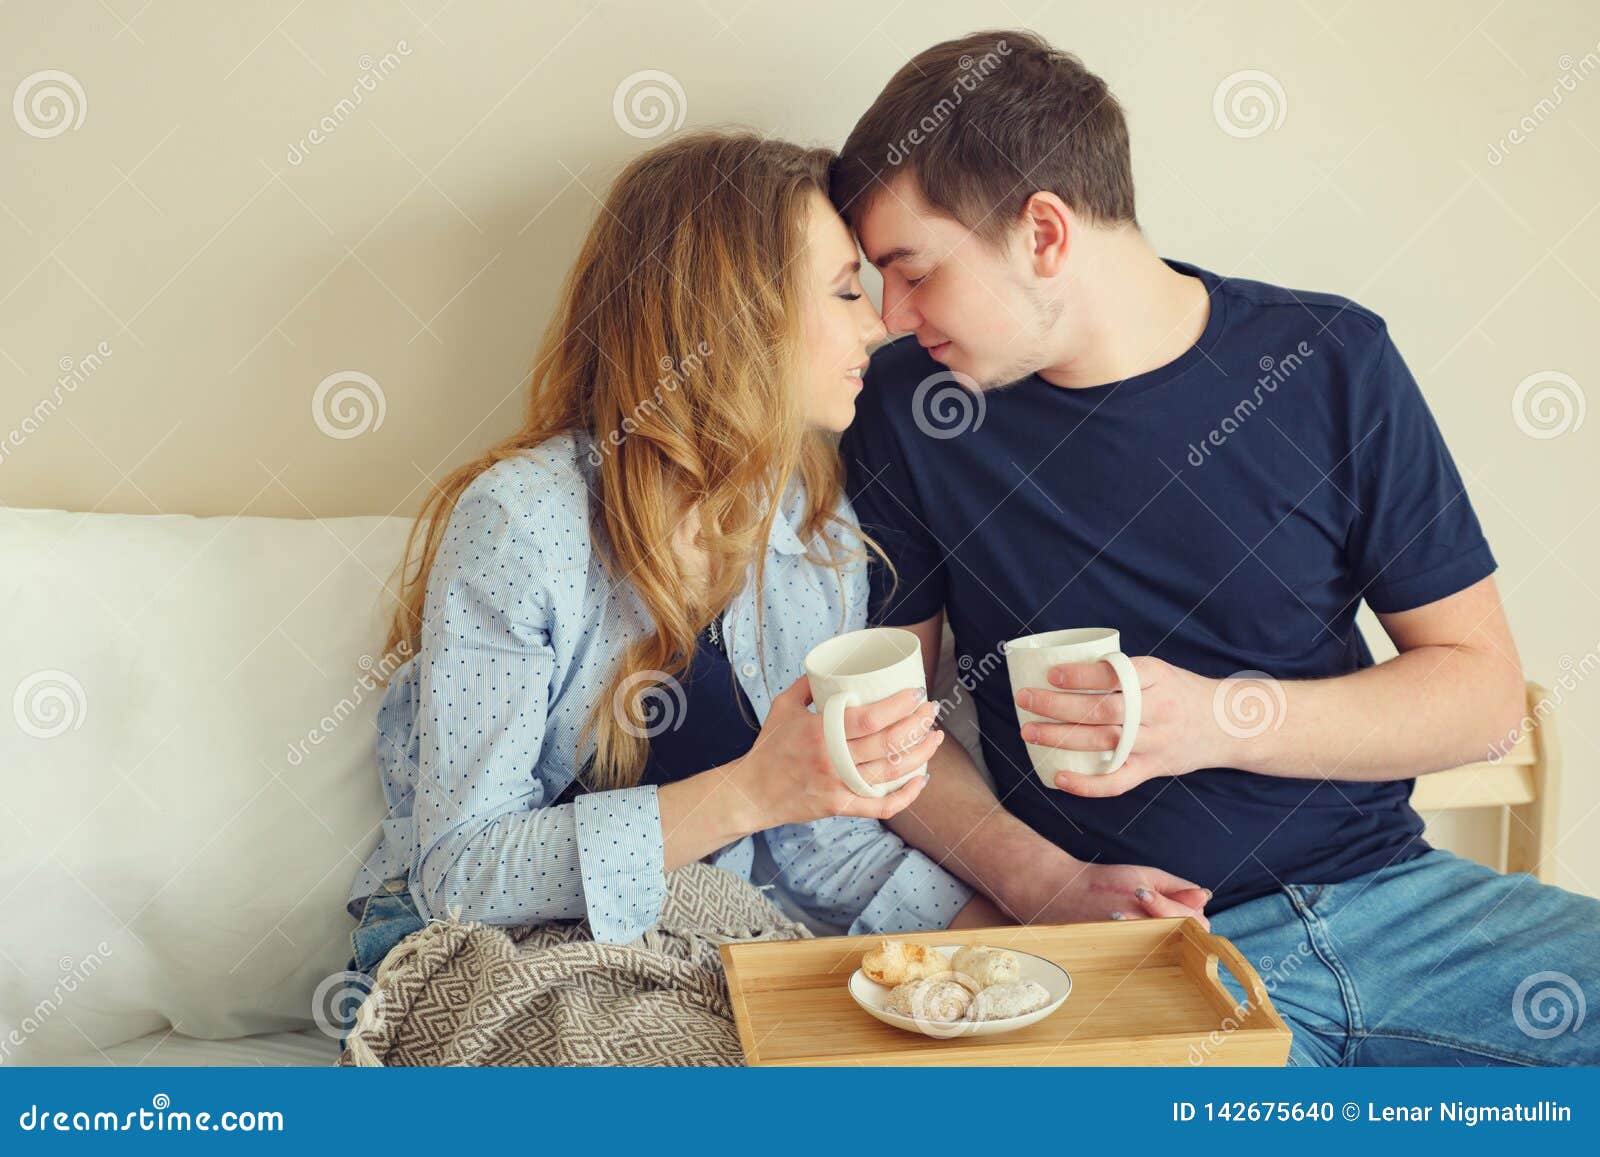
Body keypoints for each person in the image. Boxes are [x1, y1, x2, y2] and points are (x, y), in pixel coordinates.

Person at [833, 29, 1600, 1065]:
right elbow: (894, 731)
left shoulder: (1329, 361)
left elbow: (1480, 698)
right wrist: (1041, 883)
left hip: (1403, 906)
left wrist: (1214, 718)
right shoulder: (909, 410)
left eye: (912, 272)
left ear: (1044, 234)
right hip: (1155, 958)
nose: (890, 316)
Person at [340, 132, 1009, 1040]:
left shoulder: (814, 532)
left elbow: (820, 839)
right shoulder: (522, 525)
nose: (880, 323)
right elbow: (461, 868)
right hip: (472, 957)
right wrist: (748, 791)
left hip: (681, 948)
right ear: (735, 314)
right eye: (848, 289)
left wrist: (1013, 944)